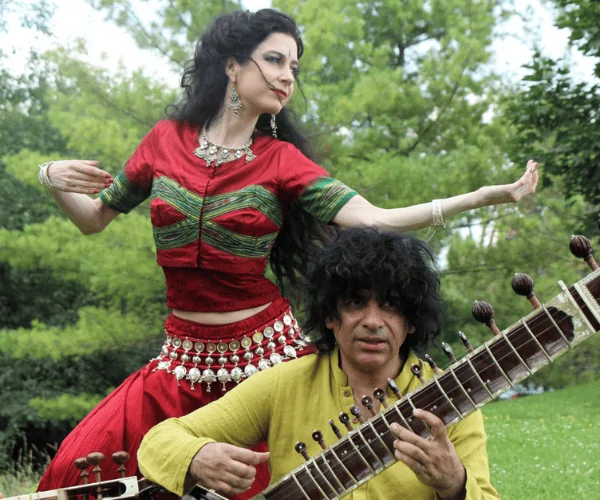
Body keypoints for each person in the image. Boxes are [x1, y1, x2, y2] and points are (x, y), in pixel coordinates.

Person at [35, 8, 534, 499]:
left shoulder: (280, 161)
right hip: (181, 359)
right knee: (77, 472)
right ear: (232, 64)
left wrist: (478, 198)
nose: (286, 77)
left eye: (293, 68)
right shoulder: (165, 142)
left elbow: (374, 217)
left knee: (291, 485)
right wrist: (51, 178)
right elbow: (94, 219)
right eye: (274, 61)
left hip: (265, 361)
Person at [137, 227, 499, 499]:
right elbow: (158, 442)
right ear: (330, 315)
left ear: (412, 320)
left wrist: (455, 484)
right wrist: (198, 455)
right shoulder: (286, 384)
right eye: (356, 303)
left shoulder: (448, 400)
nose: (373, 321)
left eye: (390, 305)